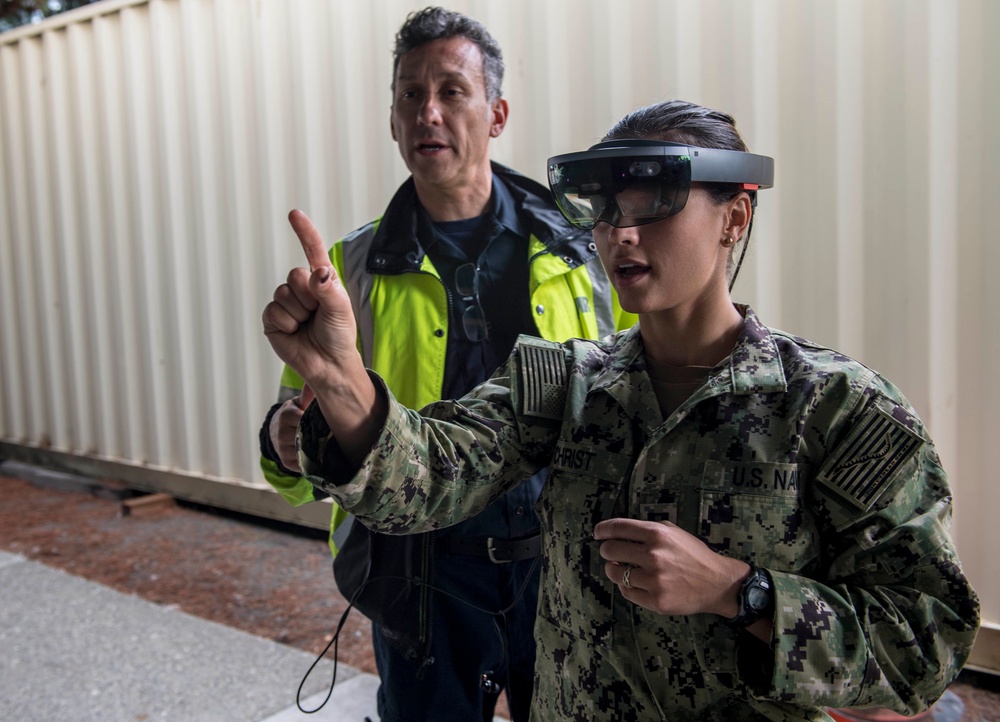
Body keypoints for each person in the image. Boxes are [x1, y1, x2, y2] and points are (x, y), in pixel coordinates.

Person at [262, 99, 980, 721]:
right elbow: (426, 478)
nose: (620, 234)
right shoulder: (561, 385)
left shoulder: (837, 411)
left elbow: (925, 645)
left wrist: (743, 592)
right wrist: (341, 376)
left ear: (735, 217)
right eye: (605, 210)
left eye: (654, 206)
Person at [257, 7, 634, 721]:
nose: (428, 111)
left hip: (566, 566)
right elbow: (297, 441)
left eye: (451, 91)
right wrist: (286, 436)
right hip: (416, 578)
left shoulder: (584, 248)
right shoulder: (350, 269)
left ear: (495, 113)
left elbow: (650, 377)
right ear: (393, 120)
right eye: (409, 94)